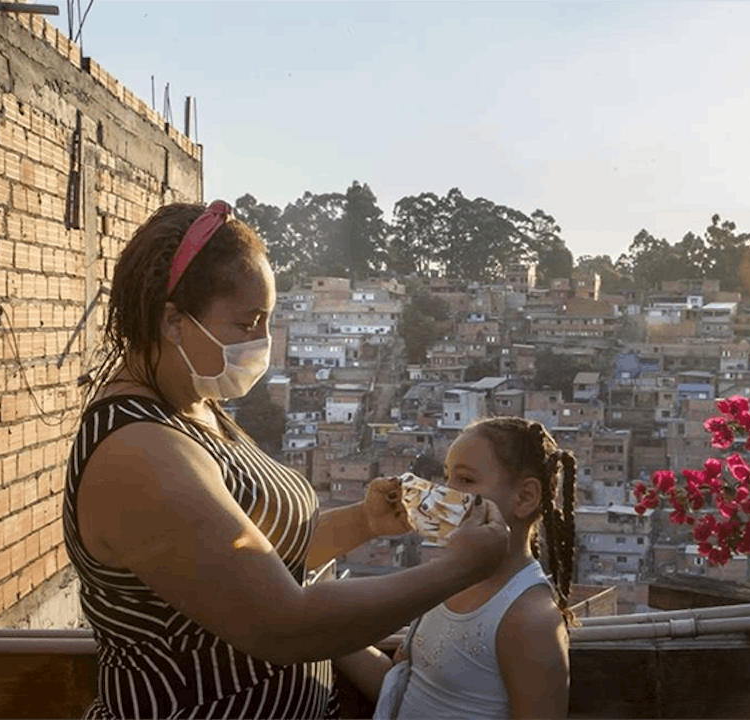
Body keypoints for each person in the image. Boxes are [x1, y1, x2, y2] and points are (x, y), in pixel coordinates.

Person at [62, 201, 510, 719]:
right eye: (247, 322)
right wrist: (459, 567)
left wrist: (361, 523)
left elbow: (251, 565)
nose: (262, 343)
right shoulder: (138, 451)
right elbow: (282, 624)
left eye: (268, 323)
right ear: (172, 320)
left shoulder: (193, 407)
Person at [339, 417, 577, 720]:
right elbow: (401, 689)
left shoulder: (530, 618)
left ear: (525, 497)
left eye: (465, 480)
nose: (447, 492)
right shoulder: (451, 580)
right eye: (447, 477)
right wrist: (326, 636)